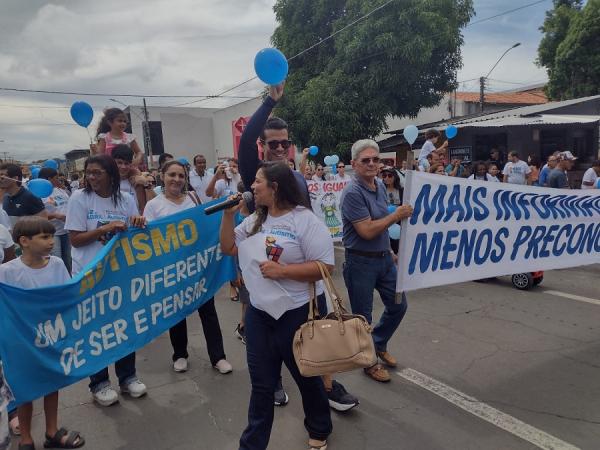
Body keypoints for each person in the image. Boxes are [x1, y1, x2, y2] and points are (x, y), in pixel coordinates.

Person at [238, 84, 357, 412]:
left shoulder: (297, 178)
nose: (279, 148)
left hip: (303, 277)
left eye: (284, 143)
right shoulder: (256, 174)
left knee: (317, 334)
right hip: (264, 275)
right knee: (269, 342)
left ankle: (328, 386)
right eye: (272, 143)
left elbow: (308, 222)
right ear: (263, 145)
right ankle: (274, 382)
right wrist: (270, 101)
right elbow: (246, 140)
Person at [220, 162, 332, 450]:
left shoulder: (304, 220)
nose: (252, 187)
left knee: (306, 376)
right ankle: (252, 445)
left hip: (297, 312)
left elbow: (325, 267)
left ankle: (319, 427)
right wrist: (226, 216)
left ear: (275, 187)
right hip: (260, 313)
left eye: (258, 182)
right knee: (261, 385)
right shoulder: (256, 219)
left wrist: (283, 272)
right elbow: (229, 248)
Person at [65, 155, 147, 406]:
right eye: (89, 173)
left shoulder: (126, 199)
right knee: (95, 329)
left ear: (111, 174)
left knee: (124, 324)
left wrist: (138, 222)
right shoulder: (79, 199)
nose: (91, 177)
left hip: (118, 272)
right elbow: (75, 239)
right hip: (89, 274)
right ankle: (99, 382)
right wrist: (104, 229)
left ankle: (127, 377)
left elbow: (134, 232)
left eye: (97, 173)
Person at [0, 217, 85, 450]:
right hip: (22, 343)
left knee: (51, 383)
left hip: (52, 337)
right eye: (45, 237)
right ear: (24, 241)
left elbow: (67, 294)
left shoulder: (57, 264)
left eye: (50, 236)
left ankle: (51, 430)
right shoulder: (7, 272)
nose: (51, 242)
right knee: (25, 389)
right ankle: (26, 437)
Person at [142, 160, 232, 374]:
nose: (176, 179)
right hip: (172, 270)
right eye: (172, 175)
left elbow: (206, 226)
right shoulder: (153, 206)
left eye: (181, 176)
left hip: (197, 267)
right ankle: (180, 354)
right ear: (162, 176)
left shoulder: (193, 199)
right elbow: (148, 239)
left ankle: (218, 357)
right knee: (177, 314)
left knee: (208, 311)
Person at [341, 139, 413, 383]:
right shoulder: (352, 192)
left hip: (383, 259)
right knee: (363, 319)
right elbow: (367, 230)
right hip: (359, 262)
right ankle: (369, 362)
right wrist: (396, 215)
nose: (372, 164)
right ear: (354, 164)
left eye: (375, 159)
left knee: (399, 305)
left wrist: (388, 251)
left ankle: (378, 343)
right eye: (365, 160)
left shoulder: (380, 185)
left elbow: (379, 228)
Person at [38, 168, 71, 273]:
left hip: (66, 230)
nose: (59, 180)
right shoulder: (39, 194)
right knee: (57, 260)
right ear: (49, 179)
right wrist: (55, 215)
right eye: (56, 178)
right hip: (52, 233)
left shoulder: (60, 190)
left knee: (68, 259)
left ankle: (68, 281)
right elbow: (37, 215)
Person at [0, 163, 47, 228]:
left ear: (15, 178)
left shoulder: (30, 196)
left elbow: (44, 222)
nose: (0, 180)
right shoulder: (5, 197)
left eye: (2, 177)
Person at [112, 144, 149, 213]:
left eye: (126, 163)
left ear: (131, 164)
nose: (123, 167)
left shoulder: (137, 180)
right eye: (119, 163)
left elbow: (143, 208)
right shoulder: (107, 182)